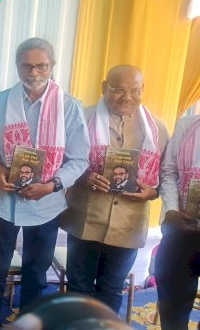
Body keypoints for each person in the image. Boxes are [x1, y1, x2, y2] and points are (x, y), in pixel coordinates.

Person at [0, 38, 89, 328]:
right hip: (4, 203)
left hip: (46, 204)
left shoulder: (69, 106)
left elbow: (79, 159)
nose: (34, 72)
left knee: (35, 275)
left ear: (52, 66)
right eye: (27, 66)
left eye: (42, 66)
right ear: (17, 66)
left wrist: (52, 185)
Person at [60, 65, 167, 313]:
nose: (127, 97)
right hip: (85, 220)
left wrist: (153, 193)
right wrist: (85, 176)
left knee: (111, 288)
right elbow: (61, 162)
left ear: (143, 90)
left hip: (128, 225)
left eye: (135, 90)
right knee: (78, 286)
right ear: (104, 88)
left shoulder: (158, 129)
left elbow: (165, 176)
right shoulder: (81, 119)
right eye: (118, 89)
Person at [155, 114, 200, 329]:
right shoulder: (188, 124)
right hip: (182, 227)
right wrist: (172, 209)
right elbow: (169, 170)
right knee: (173, 304)